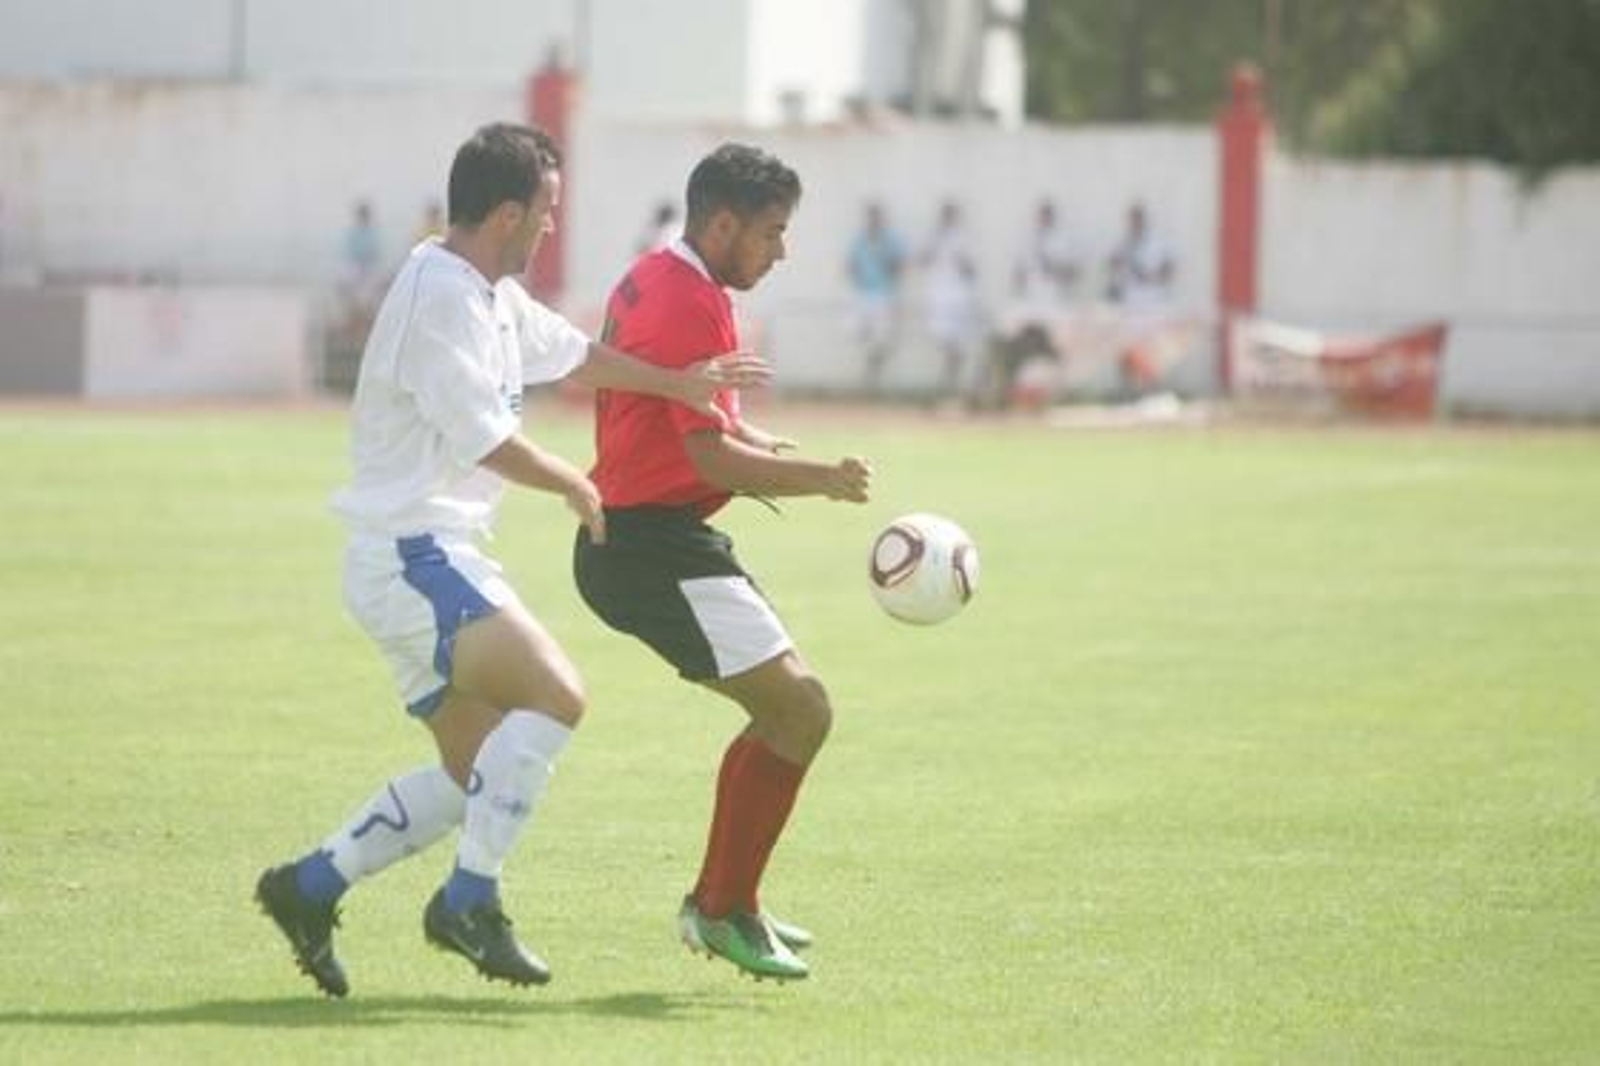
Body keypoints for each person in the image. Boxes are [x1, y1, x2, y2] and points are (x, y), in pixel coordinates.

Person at [255, 123, 769, 998]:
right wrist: (575, 482)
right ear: (505, 215)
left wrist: (679, 384)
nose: (550, 227)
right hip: (412, 554)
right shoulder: (441, 300)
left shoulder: (486, 293)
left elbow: (575, 353)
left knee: (476, 774)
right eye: (545, 211)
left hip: (420, 556)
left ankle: (308, 885)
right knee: (557, 695)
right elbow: (485, 438)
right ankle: (470, 902)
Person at [572, 143, 872, 982]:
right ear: (725, 224)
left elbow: (678, 415)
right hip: (648, 546)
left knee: (787, 710)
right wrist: (824, 480)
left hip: (647, 537)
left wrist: (752, 437)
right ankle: (722, 908)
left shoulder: (658, 275)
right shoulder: (693, 302)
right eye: (773, 233)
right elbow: (708, 460)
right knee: (801, 711)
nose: (783, 251)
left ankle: (724, 899)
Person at [1105, 201, 1177, 395]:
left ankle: (1152, 387)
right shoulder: (1123, 243)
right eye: (1131, 219)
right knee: (1127, 345)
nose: (1134, 223)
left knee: (1151, 347)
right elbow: (1112, 265)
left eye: (1137, 219)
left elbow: (1169, 268)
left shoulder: (1157, 242)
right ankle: (1128, 388)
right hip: (1130, 302)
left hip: (1152, 301)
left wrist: (1151, 277)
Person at [918, 199, 983, 408]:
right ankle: (950, 375)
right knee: (942, 336)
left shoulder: (963, 238)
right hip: (938, 294)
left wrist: (961, 261)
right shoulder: (933, 236)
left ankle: (955, 382)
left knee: (959, 339)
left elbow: (971, 269)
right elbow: (922, 260)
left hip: (958, 295)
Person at [844, 200, 907, 397]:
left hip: (883, 294)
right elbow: (850, 264)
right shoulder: (860, 239)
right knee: (856, 331)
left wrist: (889, 268)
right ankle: (869, 371)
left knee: (881, 338)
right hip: (862, 294)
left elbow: (899, 265)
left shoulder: (890, 240)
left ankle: (872, 376)